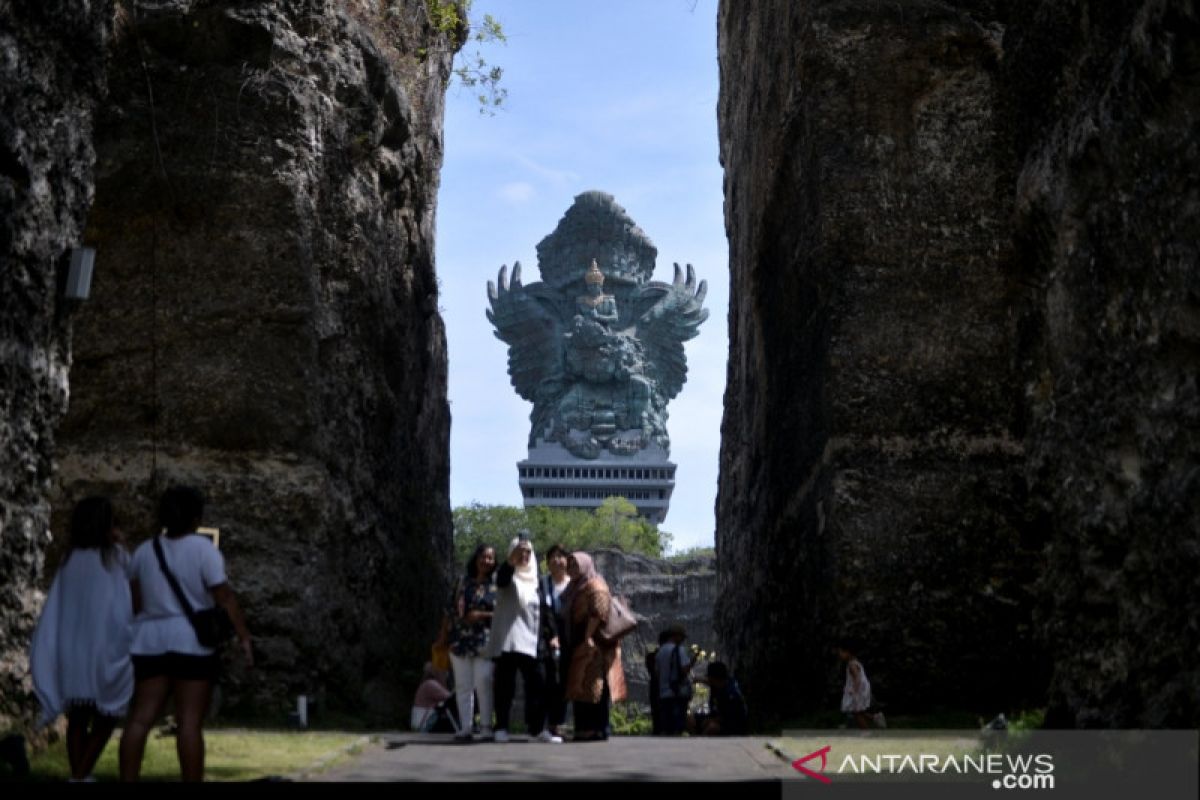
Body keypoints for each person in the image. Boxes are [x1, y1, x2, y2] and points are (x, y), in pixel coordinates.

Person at [119, 486, 253, 782]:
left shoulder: (145, 551)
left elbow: (135, 602)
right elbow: (224, 597)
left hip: (150, 640)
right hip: (191, 641)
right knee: (189, 722)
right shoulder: (203, 550)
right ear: (196, 517)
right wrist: (243, 637)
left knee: (140, 718)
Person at [29, 496, 134, 782]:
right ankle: (80, 774)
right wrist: (123, 544)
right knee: (107, 715)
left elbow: (58, 608)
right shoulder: (115, 557)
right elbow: (129, 596)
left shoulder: (69, 560)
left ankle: (79, 775)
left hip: (71, 650)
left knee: (77, 717)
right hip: (103, 648)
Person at [489, 535, 560, 743]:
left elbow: (545, 611)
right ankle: (501, 727)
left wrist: (553, 634)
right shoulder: (506, 576)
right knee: (505, 687)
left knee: (538, 685)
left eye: (528, 552)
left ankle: (538, 729)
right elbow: (501, 579)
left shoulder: (538, 581)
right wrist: (512, 560)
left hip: (532, 641)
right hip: (508, 640)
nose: (525, 556)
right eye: (521, 551)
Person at [561, 552, 626, 742]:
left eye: (575, 565)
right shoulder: (576, 587)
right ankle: (585, 728)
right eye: (570, 566)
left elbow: (599, 611)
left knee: (593, 686)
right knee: (581, 686)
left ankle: (595, 728)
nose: (572, 569)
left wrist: (588, 635)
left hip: (594, 643)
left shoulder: (595, 584)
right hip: (580, 641)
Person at [447, 543, 497, 742]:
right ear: (475, 559)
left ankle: (486, 726)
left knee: (484, 681)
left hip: (484, 641)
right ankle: (465, 727)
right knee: (463, 685)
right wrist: (444, 637)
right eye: (483, 557)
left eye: (490, 558)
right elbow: (449, 610)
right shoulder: (462, 582)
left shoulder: (496, 585)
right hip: (460, 640)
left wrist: (481, 615)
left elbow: (503, 613)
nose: (486, 561)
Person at [539, 543, 571, 738]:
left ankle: (559, 722)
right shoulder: (542, 583)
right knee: (551, 682)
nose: (557, 560)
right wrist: (551, 636)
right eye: (553, 557)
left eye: (561, 556)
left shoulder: (573, 583)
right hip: (547, 638)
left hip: (570, 636)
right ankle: (550, 724)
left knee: (567, 682)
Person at [689, 661, 748, 736]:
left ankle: (701, 743)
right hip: (715, 717)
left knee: (712, 727)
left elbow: (728, 717)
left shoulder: (731, 695)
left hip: (732, 726)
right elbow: (707, 682)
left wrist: (709, 720)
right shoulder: (717, 686)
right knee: (691, 719)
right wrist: (697, 680)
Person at [655, 623, 693, 735]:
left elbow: (657, 673)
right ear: (676, 636)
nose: (682, 640)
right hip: (678, 693)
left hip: (664, 693)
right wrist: (692, 662)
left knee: (667, 725)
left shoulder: (660, 652)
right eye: (682, 637)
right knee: (678, 725)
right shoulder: (679, 650)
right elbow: (684, 670)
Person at [837, 641, 874, 729]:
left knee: (857, 713)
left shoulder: (852, 664)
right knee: (857, 711)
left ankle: (865, 731)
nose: (840, 655)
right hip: (860, 690)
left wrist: (854, 690)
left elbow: (857, 678)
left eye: (841, 652)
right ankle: (875, 718)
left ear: (848, 652)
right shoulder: (855, 662)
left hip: (857, 691)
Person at [410, 662, 454, 732]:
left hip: (421, 725)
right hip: (424, 727)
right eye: (444, 672)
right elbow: (451, 699)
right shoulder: (431, 684)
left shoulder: (427, 683)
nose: (446, 674)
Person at [646, 629, 671, 735]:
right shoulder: (669, 655)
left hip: (656, 686)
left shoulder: (651, 656)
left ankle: (658, 730)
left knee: (657, 711)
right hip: (663, 686)